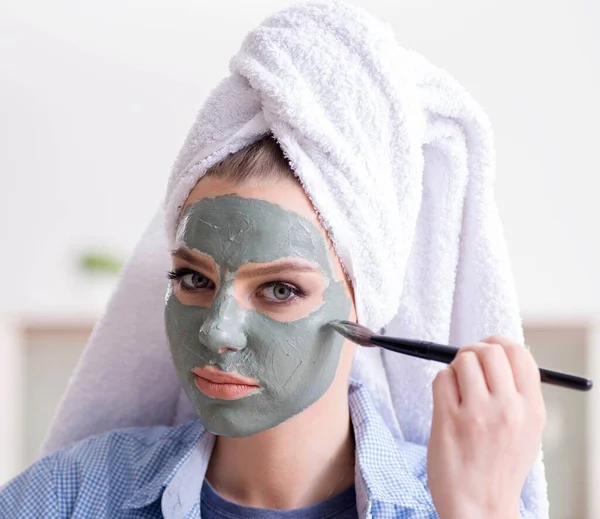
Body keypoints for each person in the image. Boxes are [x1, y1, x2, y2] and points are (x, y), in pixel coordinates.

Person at [0, 2, 548, 519]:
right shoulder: (65, 497)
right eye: (194, 278)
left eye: (280, 289)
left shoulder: (458, 505)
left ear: (364, 306)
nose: (218, 333)